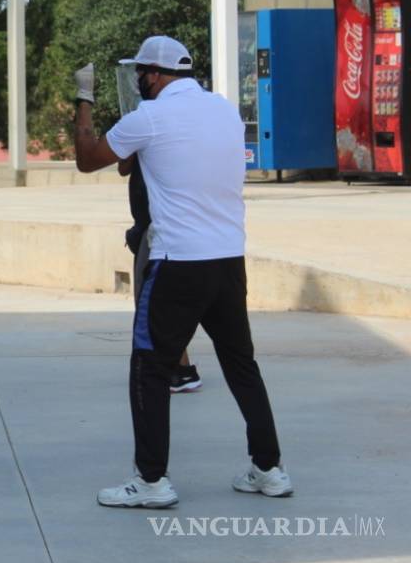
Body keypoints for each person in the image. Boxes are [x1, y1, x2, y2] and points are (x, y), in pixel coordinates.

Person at [73, 35, 291, 508]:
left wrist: (85, 101)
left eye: (139, 75)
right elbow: (132, 164)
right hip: (228, 260)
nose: (137, 82)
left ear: (153, 75)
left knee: (149, 367)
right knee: (241, 365)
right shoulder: (224, 111)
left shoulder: (149, 117)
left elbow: (89, 160)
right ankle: (269, 469)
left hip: (176, 264)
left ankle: (151, 482)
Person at [120, 154, 201, 393]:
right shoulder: (142, 128)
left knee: (152, 303)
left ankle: (177, 369)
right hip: (150, 226)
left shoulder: (164, 131)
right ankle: (178, 367)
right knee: (159, 305)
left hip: (161, 228)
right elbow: (123, 167)